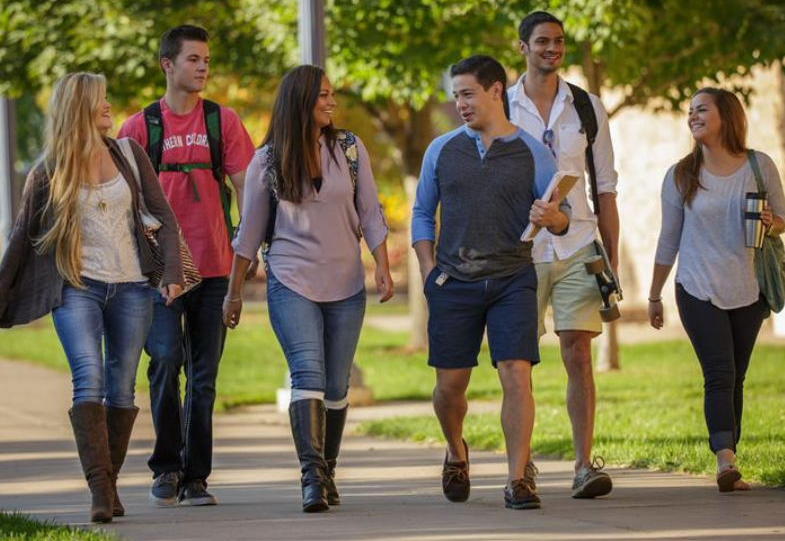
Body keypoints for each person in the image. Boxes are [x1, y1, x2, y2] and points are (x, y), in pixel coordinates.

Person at [0, 72, 183, 522]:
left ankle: (110, 482)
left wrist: (172, 273)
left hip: (132, 287)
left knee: (122, 387)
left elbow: (164, 216)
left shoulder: (127, 153)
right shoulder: (49, 171)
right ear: (79, 108)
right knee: (90, 378)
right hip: (76, 287)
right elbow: (21, 239)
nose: (108, 106)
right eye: (100, 100)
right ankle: (100, 492)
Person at [223, 64, 393, 513]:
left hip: (346, 283)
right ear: (300, 100)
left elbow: (371, 212)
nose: (331, 102)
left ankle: (328, 469)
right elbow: (249, 232)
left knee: (337, 385)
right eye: (322, 95)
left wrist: (382, 266)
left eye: (331, 94)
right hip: (291, 279)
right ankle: (312, 477)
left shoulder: (350, 150)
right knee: (308, 374)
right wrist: (233, 291)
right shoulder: (267, 160)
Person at [412, 55, 570, 510]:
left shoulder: (534, 153)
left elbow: (562, 219)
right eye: (455, 94)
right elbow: (422, 214)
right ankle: (456, 451)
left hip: (512, 278)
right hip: (453, 282)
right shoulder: (441, 150)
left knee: (516, 374)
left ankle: (518, 479)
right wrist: (427, 273)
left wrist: (554, 217)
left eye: (467, 93)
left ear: (496, 91)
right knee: (450, 387)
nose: (459, 103)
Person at [117, 25, 255, 507]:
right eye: (193, 59)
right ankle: (165, 467)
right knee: (165, 361)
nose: (202, 68)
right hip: (161, 270)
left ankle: (196, 475)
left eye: (206, 60)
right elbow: (124, 201)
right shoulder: (138, 128)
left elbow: (247, 188)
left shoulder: (224, 121)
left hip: (215, 266)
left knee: (204, 373)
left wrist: (249, 247)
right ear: (167, 65)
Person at [648, 87, 785, 493]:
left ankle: (731, 455)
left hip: (749, 287)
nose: (692, 116)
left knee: (737, 377)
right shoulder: (681, 174)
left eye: (701, 109)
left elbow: (783, 219)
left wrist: (771, 220)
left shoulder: (759, 166)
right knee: (720, 373)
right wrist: (655, 295)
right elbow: (667, 239)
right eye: (689, 111)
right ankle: (724, 459)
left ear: (726, 115)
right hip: (696, 286)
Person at [507, 11, 618, 499]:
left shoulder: (588, 107)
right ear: (522, 48)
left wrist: (609, 257)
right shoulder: (500, 105)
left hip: (578, 244)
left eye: (559, 42)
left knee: (578, 353)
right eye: (542, 41)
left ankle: (582, 465)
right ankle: (522, 466)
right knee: (519, 363)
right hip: (523, 251)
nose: (552, 49)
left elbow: (606, 186)